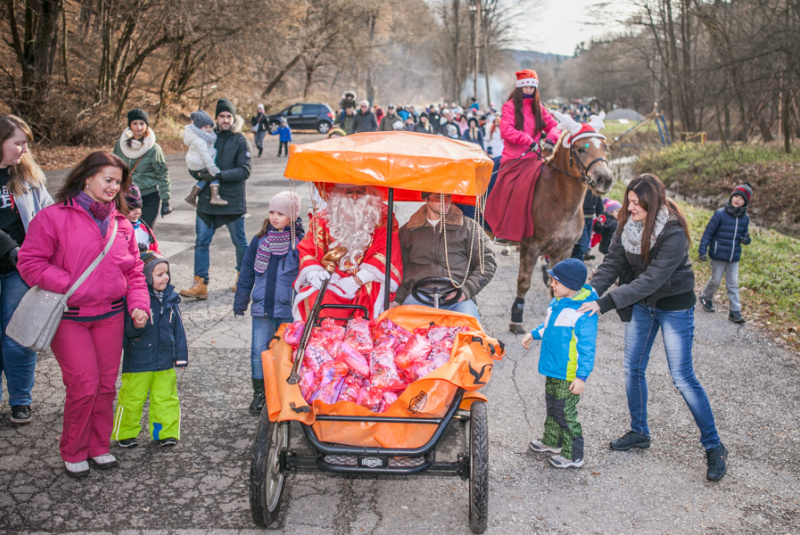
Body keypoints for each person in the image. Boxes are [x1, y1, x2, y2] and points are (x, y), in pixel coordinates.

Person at [578, 173, 728, 481]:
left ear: (653, 202)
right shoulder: (627, 224)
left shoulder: (672, 231)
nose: (630, 208)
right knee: (633, 368)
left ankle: (714, 446)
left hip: (673, 306)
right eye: (629, 201)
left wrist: (606, 303)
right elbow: (613, 263)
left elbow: (652, 279)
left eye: (637, 203)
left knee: (682, 377)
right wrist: (589, 293)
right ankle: (639, 432)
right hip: (643, 306)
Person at [17, 151, 150, 478]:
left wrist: (139, 304)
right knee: (84, 385)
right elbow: (30, 263)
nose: (113, 187)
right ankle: (73, 450)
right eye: (108, 180)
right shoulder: (53, 217)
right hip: (70, 318)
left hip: (111, 315)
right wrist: (71, 285)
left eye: (118, 183)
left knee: (106, 386)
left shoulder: (121, 223)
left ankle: (98, 447)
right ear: (87, 177)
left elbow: (134, 269)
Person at [0, 114, 53, 424]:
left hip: (20, 268)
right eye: (17, 143)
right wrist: (9, 247)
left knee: (19, 335)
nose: (23, 150)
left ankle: (20, 399)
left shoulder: (27, 176)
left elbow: (48, 215)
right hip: (11, 256)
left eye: (25, 144)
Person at [522, 258, 597, 469]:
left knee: (565, 412)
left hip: (568, 372)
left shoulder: (582, 313)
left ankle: (574, 455)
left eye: (556, 282)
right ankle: (552, 440)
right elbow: (549, 326)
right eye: (552, 281)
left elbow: (587, 349)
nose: (551, 285)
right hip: (553, 368)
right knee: (553, 406)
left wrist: (581, 377)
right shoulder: (556, 303)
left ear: (571, 285)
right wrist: (533, 334)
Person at [234, 192, 304, 414]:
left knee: (287, 352)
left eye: (281, 213)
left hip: (287, 308)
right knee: (258, 351)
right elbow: (246, 271)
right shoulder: (260, 240)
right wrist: (242, 298)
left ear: (292, 216)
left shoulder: (300, 243)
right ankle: (260, 393)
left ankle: (287, 392)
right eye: (272, 212)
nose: (274, 217)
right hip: (262, 306)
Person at [292, 185, 402, 321]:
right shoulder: (322, 218)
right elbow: (309, 249)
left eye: (360, 192)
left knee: (370, 301)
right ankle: (321, 339)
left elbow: (386, 252)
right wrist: (314, 274)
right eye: (349, 192)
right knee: (314, 296)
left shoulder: (383, 218)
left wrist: (356, 281)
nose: (354, 197)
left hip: (366, 282)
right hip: (332, 281)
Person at [112, 252, 187, 449]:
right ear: (145, 277)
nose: (166, 277)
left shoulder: (171, 299)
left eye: (167, 273)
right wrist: (137, 324)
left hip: (165, 359)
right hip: (138, 360)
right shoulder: (135, 301)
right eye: (160, 274)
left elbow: (178, 331)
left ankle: (166, 433)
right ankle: (125, 432)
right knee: (131, 398)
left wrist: (180, 357)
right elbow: (125, 331)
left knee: (166, 398)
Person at [180, 98, 251, 300]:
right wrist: (201, 176)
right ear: (217, 118)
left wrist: (218, 175)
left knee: (240, 243)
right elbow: (194, 164)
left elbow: (245, 171)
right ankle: (200, 284)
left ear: (234, 118)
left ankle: (243, 279)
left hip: (232, 201)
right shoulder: (207, 136)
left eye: (229, 116)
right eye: (222, 116)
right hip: (206, 201)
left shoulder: (240, 140)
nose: (225, 119)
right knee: (201, 242)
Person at [393, 192, 496, 320]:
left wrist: (466, 290)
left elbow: (487, 262)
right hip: (417, 296)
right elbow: (399, 271)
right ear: (425, 197)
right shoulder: (407, 232)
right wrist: (397, 299)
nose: (445, 200)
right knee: (400, 331)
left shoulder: (469, 227)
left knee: (470, 333)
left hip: (458, 299)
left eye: (448, 195)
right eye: (439, 196)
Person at [698, 183, 752, 324]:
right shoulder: (720, 214)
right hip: (718, 254)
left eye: (741, 198)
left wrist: (745, 239)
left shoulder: (745, 218)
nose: (737, 200)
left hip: (733, 256)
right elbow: (708, 232)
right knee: (715, 280)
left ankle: (735, 311)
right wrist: (702, 249)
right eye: (736, 196)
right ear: (732, 196)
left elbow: (745, 236)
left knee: (733, 283)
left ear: (745, 202)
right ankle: (706, 297)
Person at [113, 108, 171, 228]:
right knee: (126, 233)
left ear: (147, 125)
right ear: (129, 125)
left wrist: (166, 199)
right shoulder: (120, 145)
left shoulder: (154, 149)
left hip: (148, 197)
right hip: (126, 196)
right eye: (135, 123)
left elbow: (162, 174)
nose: (138, 127)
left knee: (145, 233)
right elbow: (114, 169)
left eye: (142, 123)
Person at [183, 110, 225, 207]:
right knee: (213, 175)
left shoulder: (200, 137)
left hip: (195, 163)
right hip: (199, 163)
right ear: (198, 129)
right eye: (206, 127)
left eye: (210, 127)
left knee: (205, 178)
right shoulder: (199, 140)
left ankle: (192, 196)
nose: (209, 129)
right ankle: (215, 197)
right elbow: (204, 155)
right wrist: (212, 167)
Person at [125, 184, 160, 253]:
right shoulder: (115, 231)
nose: (137, 212)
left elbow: (154, 252)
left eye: (139, 207)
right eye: (131, 209)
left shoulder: (145, 230)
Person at [572, 190, 604, 261]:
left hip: (590, 218)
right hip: (579, 218)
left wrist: (600, 213)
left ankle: (577, 265)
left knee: (585, 245)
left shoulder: (593, 185)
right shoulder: (581, 183)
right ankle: (572, 265)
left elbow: (598, 199)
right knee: (581, 246)